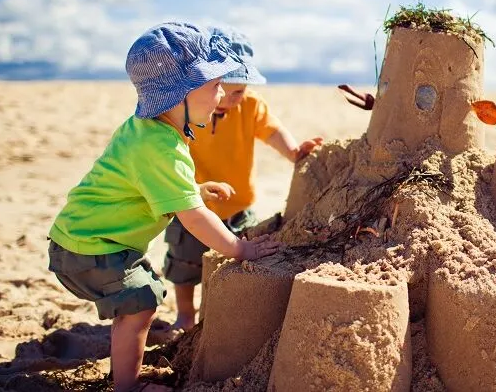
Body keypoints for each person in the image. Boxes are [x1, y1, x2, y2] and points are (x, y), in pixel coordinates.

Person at [46, 22, 282, 392]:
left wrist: (195, 189)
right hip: (90, 248)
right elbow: (192, 218)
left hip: (82, 239)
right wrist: (240, 248)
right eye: (214, 84)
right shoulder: (160, 147)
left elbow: (151, 185)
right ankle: (127, 386)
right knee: (140, 301)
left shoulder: (148, 130)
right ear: (179, 94)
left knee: (142, 298)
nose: (221, 94)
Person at [163, 25, 322, 331]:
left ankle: (224, 313)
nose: (233, 98)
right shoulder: (189, 108)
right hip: (191, 202)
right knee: (185, 262)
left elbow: (271, 130)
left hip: (239, 206)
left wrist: (292, 151)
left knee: (243, 259)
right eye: (226, 89)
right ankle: (185, 314)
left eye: (241, 90)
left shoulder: (249, 106)